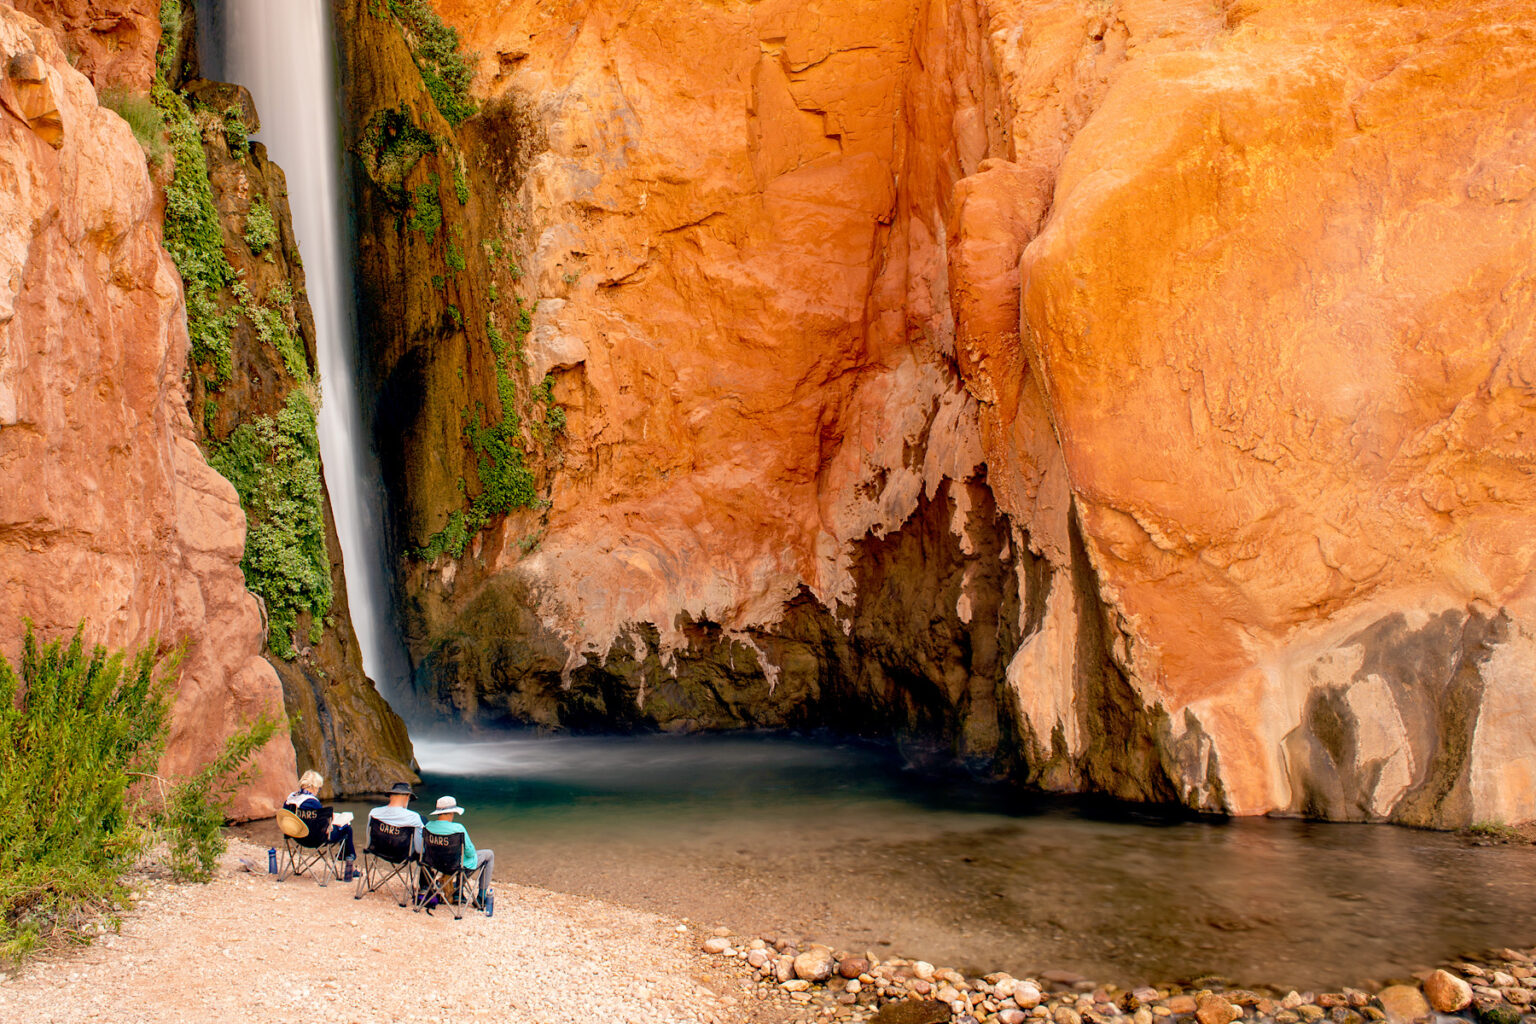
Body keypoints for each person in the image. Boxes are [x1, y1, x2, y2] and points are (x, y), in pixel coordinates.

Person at [424, 795, 494, 908]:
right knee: (489, 854)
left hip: (436, 864)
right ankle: (481, 897)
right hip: (456, 867)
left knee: (457, 859)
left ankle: (456, 891)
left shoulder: (428, 826)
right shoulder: (458, 829)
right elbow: (470, 853)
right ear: (451, 813)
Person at [284, 770, 356, 878]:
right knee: (347, 828)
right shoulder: (313, 802)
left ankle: (345, 856)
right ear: (313, 786)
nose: (318, 790)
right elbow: (325, 827)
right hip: (316, 839)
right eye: (318, 787)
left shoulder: (290, 799)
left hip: (296, 836)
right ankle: (349, 864)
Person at [367, 781, 424, 854]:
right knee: (423, 820)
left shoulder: (374, 813)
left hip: (378, 850)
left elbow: (368, 840)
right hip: (401, 855)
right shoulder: (413, 817)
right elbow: (419, 849)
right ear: (407, 797)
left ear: (390, 796)